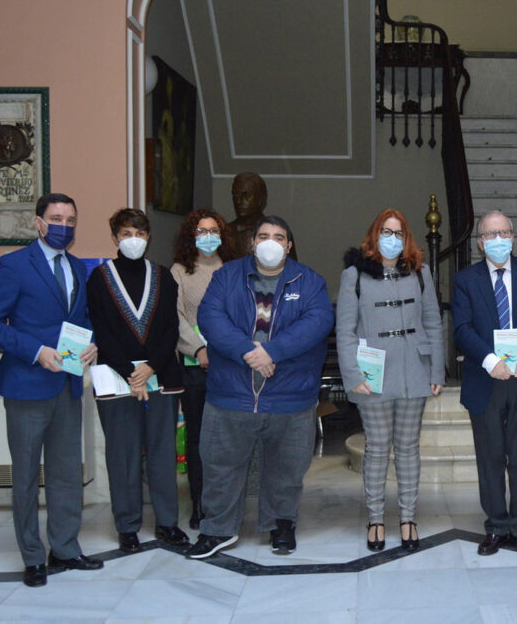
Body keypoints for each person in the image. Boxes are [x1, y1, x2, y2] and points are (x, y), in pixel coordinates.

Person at [186, 215, 333, 559]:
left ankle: (282, 524)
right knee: (220, 466)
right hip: (231, 394)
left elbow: (318, 322)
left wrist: (271, 351)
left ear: (288, 245)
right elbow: (210, 317)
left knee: (287, 468)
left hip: (290, 395)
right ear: (252, 243)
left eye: (278, 236)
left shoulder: (310, 281)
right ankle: (217, 530)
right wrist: (249, 352)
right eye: (263, 236)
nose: (270, 242)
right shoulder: (226, 277)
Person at [0, 193, 103, 587]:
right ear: (38, 222)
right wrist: (35, 351)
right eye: (56, 218)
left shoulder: (79, 267)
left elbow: (81, 317)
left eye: (71, 218)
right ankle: (33, 556)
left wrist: (92, 342)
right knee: (27, 475)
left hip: (67, 384)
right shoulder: (14, 265)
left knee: (67, 473)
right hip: (27, 385)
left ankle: (65, 548)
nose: (64, 225)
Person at [336, 208, 444, 552]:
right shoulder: (354, 275)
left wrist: (436, 370)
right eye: (386, 231)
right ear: (374, 234)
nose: (392, 238)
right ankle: (376, 520)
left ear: (407, 238)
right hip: (373, 374)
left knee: (409, 449)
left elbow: (433, 322)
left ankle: (409, 518)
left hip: (415, 369)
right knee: (378, 449)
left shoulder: (421, 273)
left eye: (398, 233)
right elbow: (345, 331)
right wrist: (353, 375)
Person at [452, 211, 517, 556]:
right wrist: (490, 360)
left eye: (504, 233)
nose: (498, 240)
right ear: (480, 242)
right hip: (486, 381)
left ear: (513, 236)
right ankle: (496, 525)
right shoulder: (466, 279)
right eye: (490, 235)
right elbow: (462, 328)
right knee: (491, 457)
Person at [87, 208, 189, 553]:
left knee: (162, 454)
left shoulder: (162, 276)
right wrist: (130, 371)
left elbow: (170, 329)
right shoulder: (99, 278)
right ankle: (127, 525)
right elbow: (101, 329)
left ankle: (167, 523)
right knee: (123, 454)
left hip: (159, 377)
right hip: (117, 379)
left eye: (141, 234)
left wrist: (150, 368)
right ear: (115, 237)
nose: (134, 240)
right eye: (127, 233)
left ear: (148, 238)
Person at [170, 209, 238, 530]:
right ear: (191, 236)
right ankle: (198, 504)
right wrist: (199, 348)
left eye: (214, 230)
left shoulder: (234, 270)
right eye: (201, 231)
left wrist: (225, 348)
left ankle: (224, 503)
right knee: (198, 439)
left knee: (227, 439)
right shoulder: (180, 272)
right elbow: (176, 316)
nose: (208, 236)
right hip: (195, 367)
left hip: (230, 367)